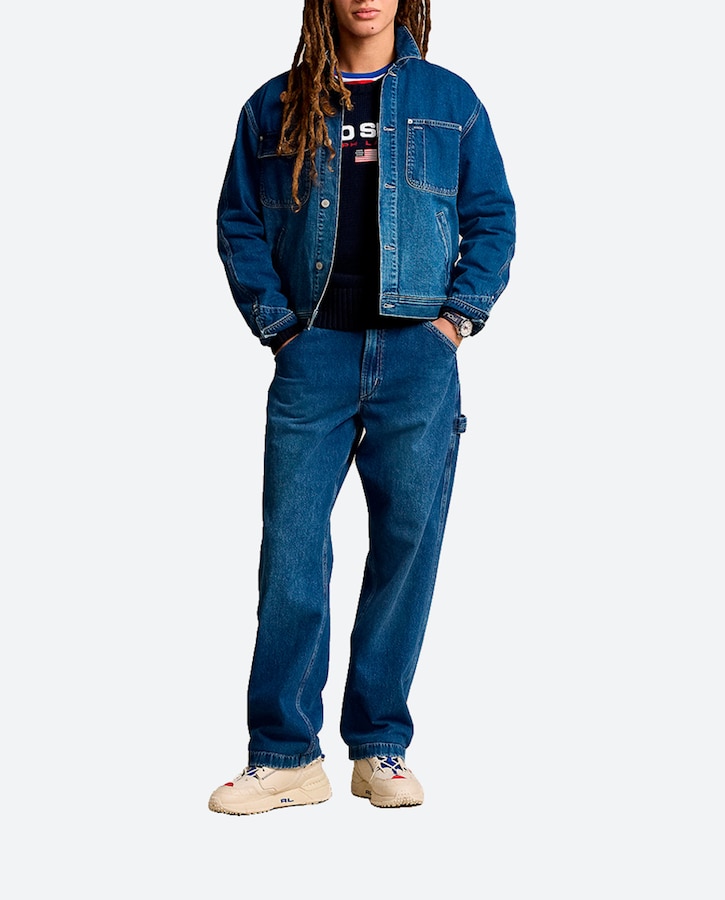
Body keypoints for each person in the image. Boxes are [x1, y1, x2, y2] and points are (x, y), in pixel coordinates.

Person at [208, 0, 515, 815]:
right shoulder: (273, 104)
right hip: (314, 353)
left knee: (405, 552)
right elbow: (239, 221)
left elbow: (492, 217)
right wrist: (280, 329)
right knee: (291, 552)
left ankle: (379, 745)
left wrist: (454, 323)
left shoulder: (450, 99)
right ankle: (284, 757)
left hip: (418, 356)